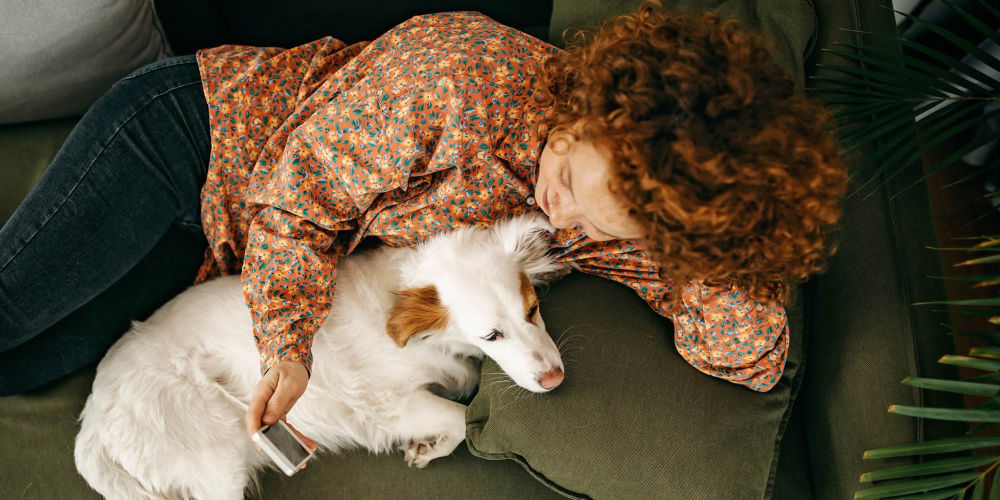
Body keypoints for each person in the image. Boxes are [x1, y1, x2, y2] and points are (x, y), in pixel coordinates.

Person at [0, 0, 847, 452]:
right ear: (597, 104)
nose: (563, 219)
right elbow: (299, 201)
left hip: (214, 250)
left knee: (28, 365)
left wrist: (712, 249)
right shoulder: (459, 76)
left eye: (608, 223)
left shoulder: (623, 223)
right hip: (191, 139)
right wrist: (287, 346)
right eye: (565, 180)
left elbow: (750, 356)